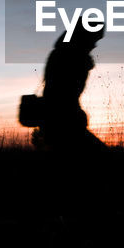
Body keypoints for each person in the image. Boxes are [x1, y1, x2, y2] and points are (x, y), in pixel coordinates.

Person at [35, 20, 107, 152]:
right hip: (63, 125)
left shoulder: (64, 54)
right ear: (82, 37)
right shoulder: (68, 58)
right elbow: (63, 96)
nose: (94, 45)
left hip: (60, 124)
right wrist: (77, 117)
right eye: (93, 39)